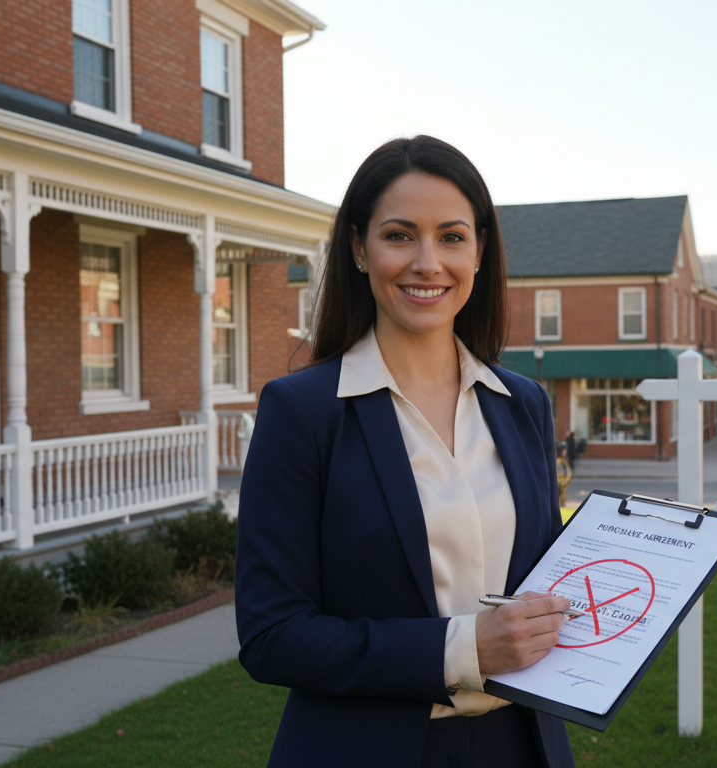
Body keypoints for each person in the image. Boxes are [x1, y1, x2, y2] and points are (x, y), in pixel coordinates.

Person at [234, 136, 576, 767]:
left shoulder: (523, 403)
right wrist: (463, 648)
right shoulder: (304, 412)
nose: (428, 262)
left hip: (522, 746)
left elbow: (543, 583)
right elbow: (271, 635)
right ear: (360, 249)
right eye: (399, 236)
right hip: (367, 749)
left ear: (479, 251)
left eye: (451, 237)